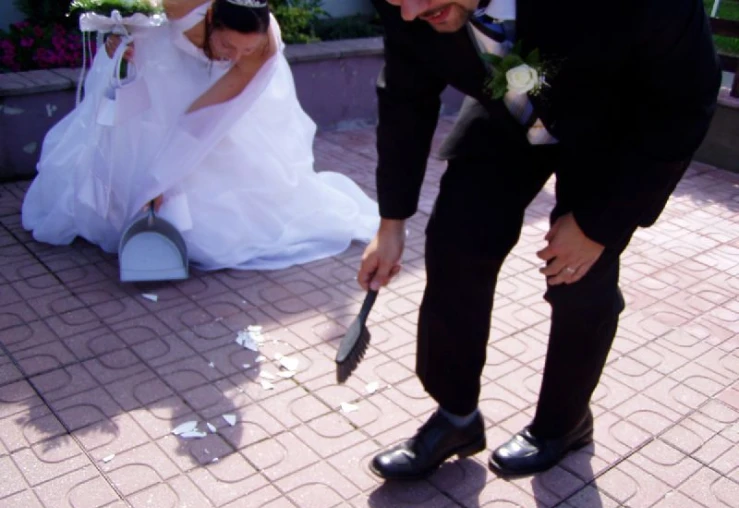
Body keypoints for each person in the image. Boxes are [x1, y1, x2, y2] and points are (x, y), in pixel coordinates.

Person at [358, 0, 720, 479]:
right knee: (456, 242)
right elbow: (406, 95)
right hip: (509, 104)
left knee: (578, 279)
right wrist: (391, 222)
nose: (406, 13)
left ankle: (562, 424)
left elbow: (685, 99)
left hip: (615, 122)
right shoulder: (410, 5)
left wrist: (598, 225)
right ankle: (456, 416)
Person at [22, 0, 379, 271]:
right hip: (161, 61)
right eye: (228, 45)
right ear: (211, 18)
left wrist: (161, 179)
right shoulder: (184, 4)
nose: (235, 56)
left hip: (221, 96)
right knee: (134, 134)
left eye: (246, 49)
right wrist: (121, 33)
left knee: (220, 157)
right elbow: (132, 10)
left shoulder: (259, 52)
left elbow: (203, 120)